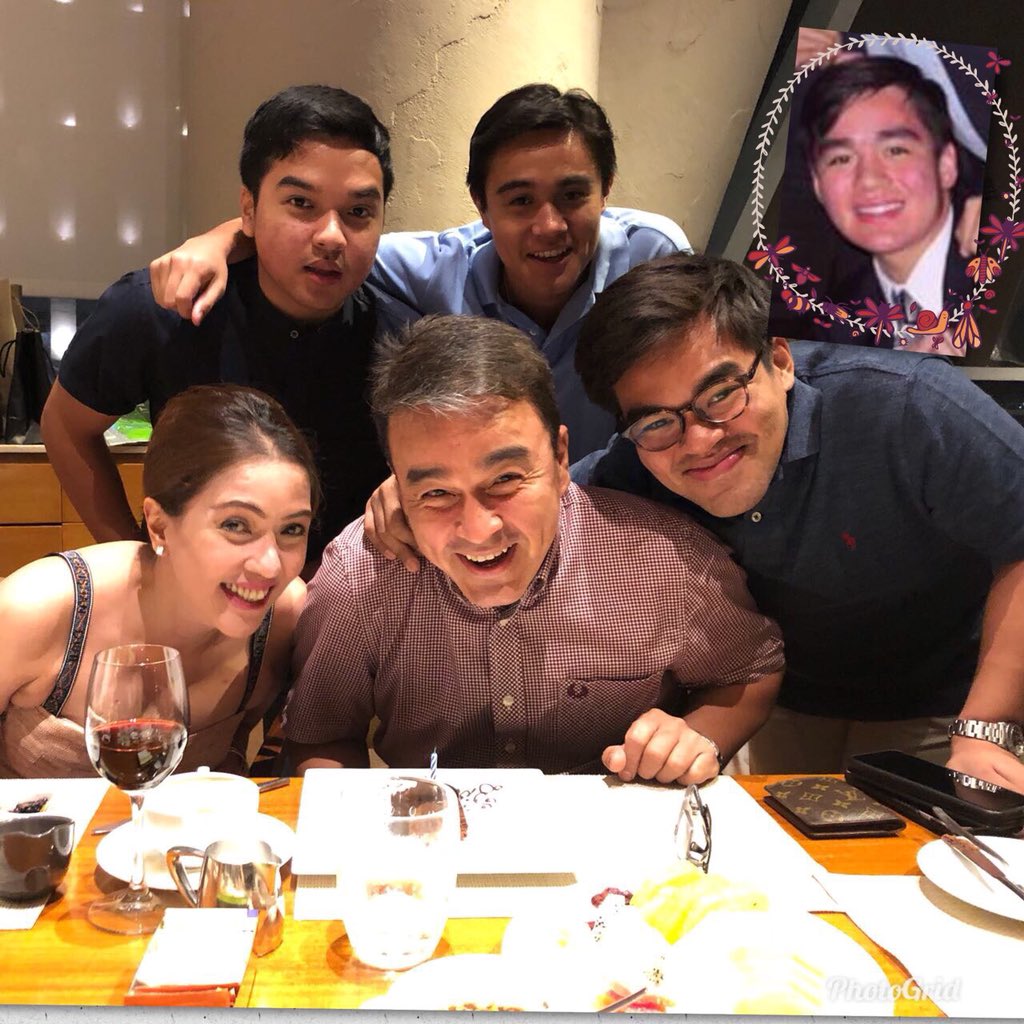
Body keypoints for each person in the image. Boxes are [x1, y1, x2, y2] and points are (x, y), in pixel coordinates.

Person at [568, 252, 1024, 791]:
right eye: (657, 421)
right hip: (775, 699)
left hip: (952, 697)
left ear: (780, 361)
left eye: (721, 394)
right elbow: (542, 507)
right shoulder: (634, 465)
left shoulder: (908, 405)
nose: (700, 440)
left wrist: (987, 728)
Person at [282, 314, 784, 782]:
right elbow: (321, 733)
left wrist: (698, 737)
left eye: (505, 479)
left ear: (561, 457)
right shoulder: (360, 575)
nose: (479, 529)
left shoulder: (667, 559)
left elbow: (750, 670)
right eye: (436, 493)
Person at [148, 84, 691, 462]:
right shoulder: (436, 269)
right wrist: (217, 240)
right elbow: (331, 241)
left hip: (623, 515)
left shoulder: (652, 255)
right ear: (481, 205)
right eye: (520, 200)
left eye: (572, 195)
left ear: (607, 189)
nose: (549, 225)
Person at [41, 84, 395, 563]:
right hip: (192, 595)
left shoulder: (397, 336)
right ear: (248, 209)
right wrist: (136, 559)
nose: (332, 236)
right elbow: (65, 424)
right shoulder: (165, 307)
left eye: (358, 212)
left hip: (342, 601)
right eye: (300, 203)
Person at [0, 384, 316, 778]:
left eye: (292, 529)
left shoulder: (281, 618)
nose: (269, 566)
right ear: (159, 525)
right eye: (236, 525)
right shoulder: (41, 608)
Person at [795, 56, 974, 355]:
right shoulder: (831, 329)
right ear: (817, 186)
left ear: (946, 164)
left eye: (895, 150)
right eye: (841, 158)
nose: (869, 180)